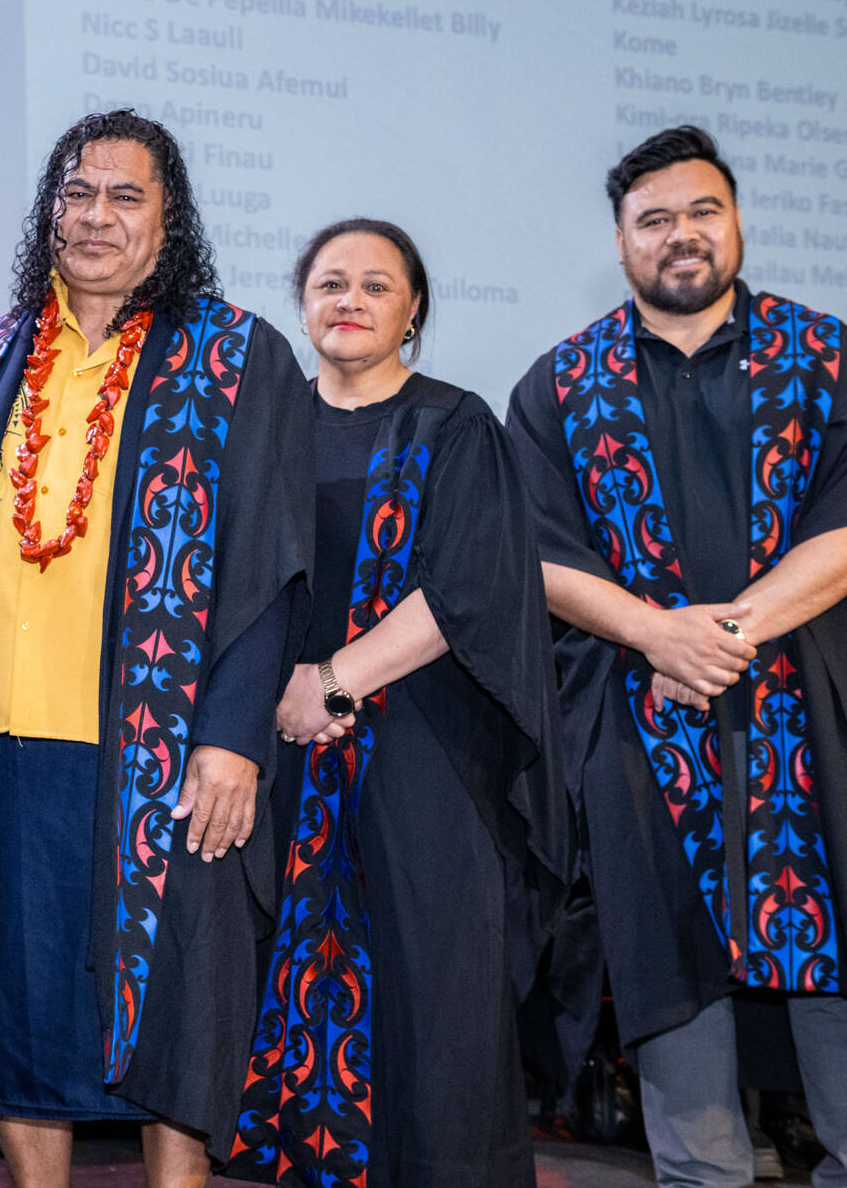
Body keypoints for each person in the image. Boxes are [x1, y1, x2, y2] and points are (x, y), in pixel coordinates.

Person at [0, 109, 312, 1188]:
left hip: (157, 754)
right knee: (17, 1012)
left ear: (170, 222)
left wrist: (234, 738)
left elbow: (267, 563)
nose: (95, 215)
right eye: (76, 193)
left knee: (174, 1006)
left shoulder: (235, 356)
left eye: (126, 196)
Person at [506, 125, 847, 1186]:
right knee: (682, 1046)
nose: (680, 234)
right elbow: (537, 555)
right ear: (621, 241)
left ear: (736, 222)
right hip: (644, 739)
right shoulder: (561, 385)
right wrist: (655, 631)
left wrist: (721, 633)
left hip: (813, 732)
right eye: (654, 219)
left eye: (702, 211)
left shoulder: (834, 359)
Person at [231, 220, 569, 1187]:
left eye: (376, 286)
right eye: (331, 282)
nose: (350, 299)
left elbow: (466, 587)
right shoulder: (262, 430)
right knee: (282, 997)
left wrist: (333, 682)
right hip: (281, 760)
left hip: (424, 756)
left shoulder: (455, 424)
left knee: (430, 1006)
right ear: (302, 303)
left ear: (413, 309)